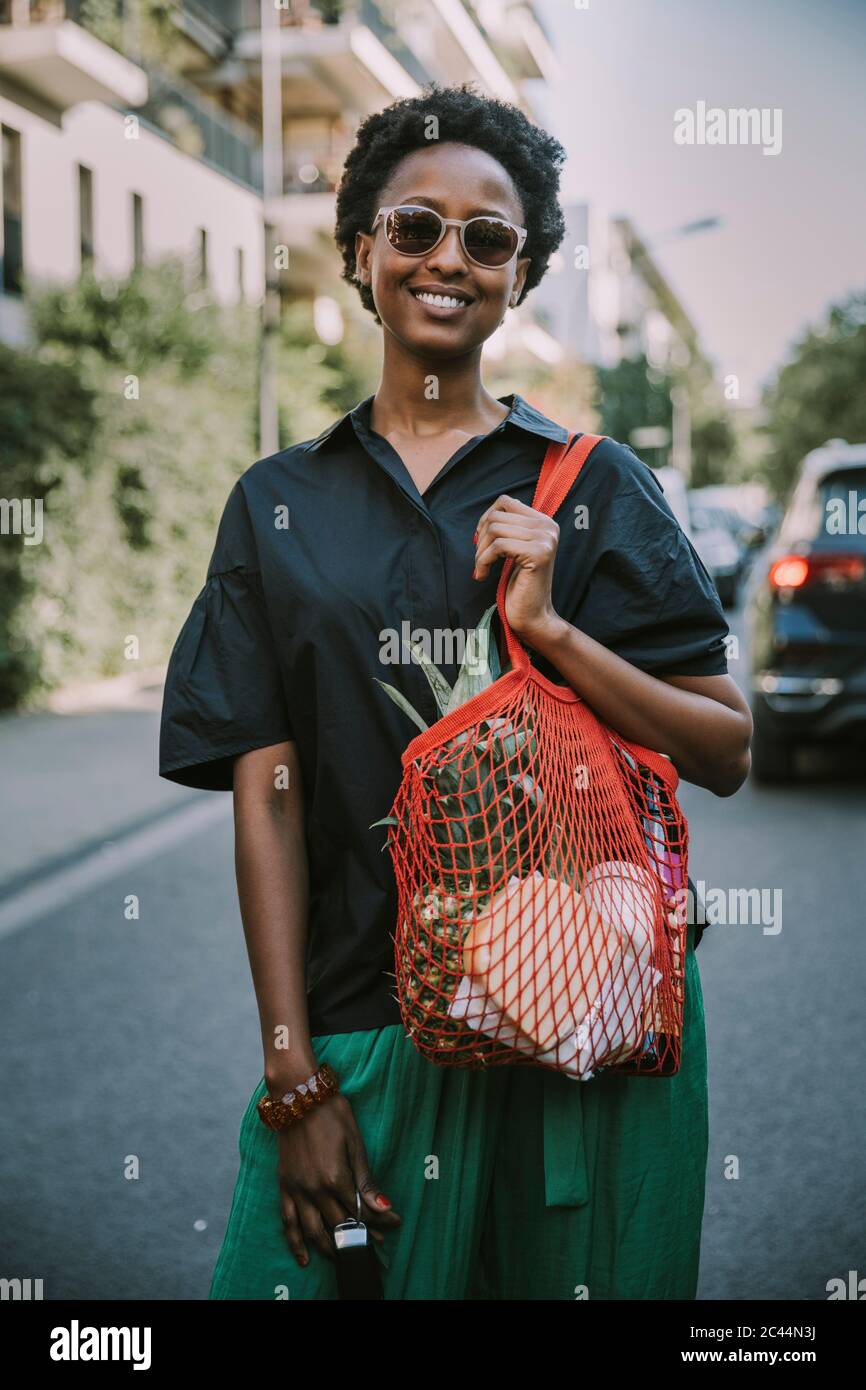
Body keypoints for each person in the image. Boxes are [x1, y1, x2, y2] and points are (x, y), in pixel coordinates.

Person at [159, 83, 752, 1300]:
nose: (449, 258)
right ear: (359, 250)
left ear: (520, 276)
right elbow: (264, 795)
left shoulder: (592, 487)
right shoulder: (278, 502)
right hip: (363, 1018)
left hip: (572, 1021)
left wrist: (550, 632)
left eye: (489, 238)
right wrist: (292, 1078)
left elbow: (725, 744)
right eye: (414, 225)